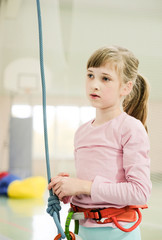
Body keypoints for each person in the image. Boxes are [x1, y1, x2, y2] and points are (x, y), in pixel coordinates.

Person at [48, 46, 152, 240]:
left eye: (105, 78)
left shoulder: (130, 128)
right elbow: (91, 188)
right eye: (90, 75)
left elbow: (140, 192)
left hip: (119, 232)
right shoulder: (82, 132)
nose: (94, 84)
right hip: (84, 230)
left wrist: (82, 186)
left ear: (126, 87)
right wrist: (66, 190)